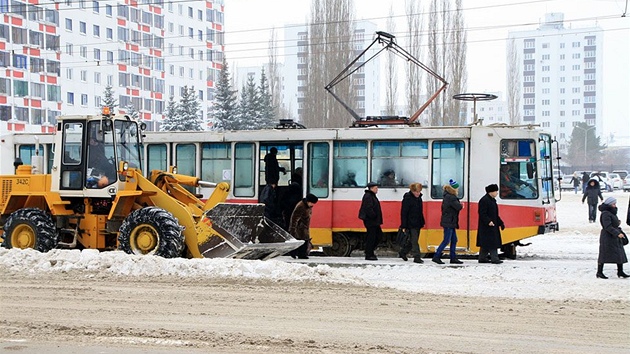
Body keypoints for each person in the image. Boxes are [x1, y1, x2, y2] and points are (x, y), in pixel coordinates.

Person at [596, 197, 629, 279]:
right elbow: (607, 226)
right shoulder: (605, 213)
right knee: (604, 254)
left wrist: (617, 222)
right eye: (613, 204)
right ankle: (599, 272)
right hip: (608, 237)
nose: (615, 205)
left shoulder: (610, 212)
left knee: (619, 254)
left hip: (613, 236)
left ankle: (620, 271)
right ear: (609, 204)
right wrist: (617, 233)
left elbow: (611, 223)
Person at [433, 179, 464, 265]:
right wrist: (461, 205)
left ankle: (453, 257)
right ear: (453, 189)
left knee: (454, 240)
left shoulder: (447, 196)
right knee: (447, 240)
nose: (458, 190)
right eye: (457, 189)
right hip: (449, 222)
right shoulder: (451, 197)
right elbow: (458, 207)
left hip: (450, 222)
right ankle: (437, 256)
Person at [477, 184, 505, 264]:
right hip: (487, 226)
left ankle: (482, 258)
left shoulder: (491, 200)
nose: (497, 193)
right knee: (492, 242)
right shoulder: (484, 200)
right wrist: (488, 221)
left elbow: (495, 214)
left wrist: (500, 222)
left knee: (485, 243)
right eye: (496, 191)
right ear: (491, 192)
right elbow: (482, 213)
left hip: (492, 224)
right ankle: (494, 258)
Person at [399, 183, 426, 264]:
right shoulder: (408, 198)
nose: (418, 193)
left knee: (413, 240)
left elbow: (420, 212)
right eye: (416, 192)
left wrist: (422, 221)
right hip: (410, 223)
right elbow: (404, 212)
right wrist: (404, 225)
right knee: (414, 241)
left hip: (418, 222)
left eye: (419, 191)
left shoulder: (419, 198)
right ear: (412, 191)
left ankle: (403, 252)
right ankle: (417, 257)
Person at [288, 193, 319, 259]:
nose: (313, 205)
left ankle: (301, 254)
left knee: (304, 241)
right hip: (300, 228)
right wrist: (293, 229)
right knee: (302, 241)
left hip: (304, 227)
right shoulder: (301, 206)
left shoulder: (308, 206)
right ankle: (298, 254)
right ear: (308, 201)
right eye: (312, 203)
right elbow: (294, 218)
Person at [358, 182, 383, 261]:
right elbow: (368, 208)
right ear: (371, 188)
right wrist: (374, 216)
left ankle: (369, 251)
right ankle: (369, 254)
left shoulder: (371, 195)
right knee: (372, 237)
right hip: (371, 221)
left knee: (377, 235)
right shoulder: (368, 196)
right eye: (376, 188)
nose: (377, 189)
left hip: (373, 221)